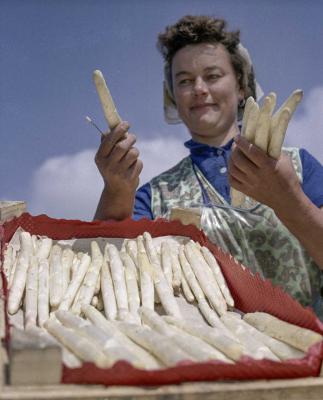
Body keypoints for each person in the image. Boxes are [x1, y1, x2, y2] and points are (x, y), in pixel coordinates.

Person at [94, 15, 323, 318]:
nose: (199, 88)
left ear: (242, 86)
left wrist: (288, 199)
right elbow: (108, 272)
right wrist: (115, 189)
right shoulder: (153, 196)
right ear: (173, 96)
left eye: (213, 76)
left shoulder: (297, 166)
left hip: (309, 355)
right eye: (185, 81)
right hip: (208, 360)